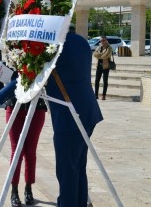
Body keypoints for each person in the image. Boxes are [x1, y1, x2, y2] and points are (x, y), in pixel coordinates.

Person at [46, 29, 103, 207]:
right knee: (77, 168)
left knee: (67, 173)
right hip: (87, 112)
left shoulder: (54, 45)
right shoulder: (81, 41)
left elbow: (26, 76)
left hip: (69, 116)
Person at [0, 75, 46, 206]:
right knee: (16, 152)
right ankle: (14, 191)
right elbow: (1, 74)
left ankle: (28, 188)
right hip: (14, 104)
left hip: (36, 106)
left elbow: (27, 76)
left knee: (30, 151)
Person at [93, 36, 113, 100]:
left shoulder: (109, 47)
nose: (102, 42)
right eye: (101, 41)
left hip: (105, 66)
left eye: (103, 40)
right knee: (96, 81)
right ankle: (96, 95)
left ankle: (103, 95)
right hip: (98, 66)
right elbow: (94, 54)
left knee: (105, 81)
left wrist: (99, 55)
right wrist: (100, 55)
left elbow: (105, 56)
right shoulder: (99, 47)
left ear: (106, 40)